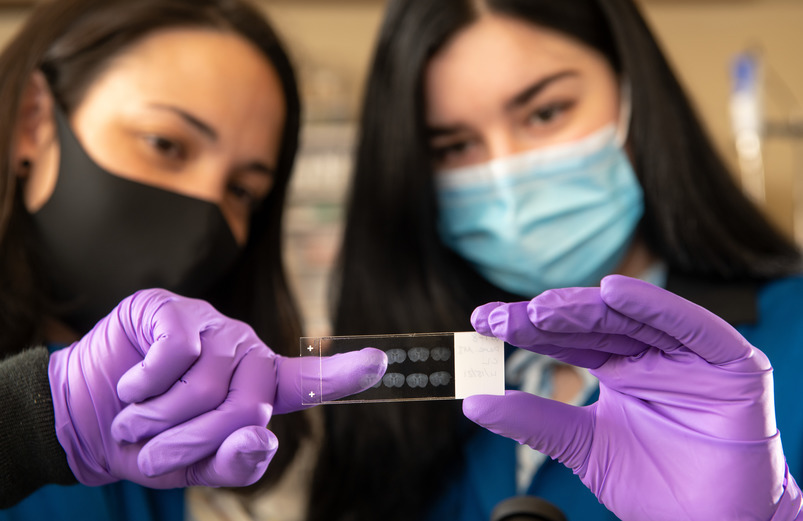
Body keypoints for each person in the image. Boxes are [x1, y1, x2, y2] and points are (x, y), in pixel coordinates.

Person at [307, 0, 803, 520]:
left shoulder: (789, 337)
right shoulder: (412, 389)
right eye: (455, 147)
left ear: (634, 92)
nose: (506, 178)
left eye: (545, 113)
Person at [0, 0, 386, 519]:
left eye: (242, 191)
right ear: (31, 122)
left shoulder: (199, 442)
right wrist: (30, 418)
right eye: (165, 144)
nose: (205, 211)